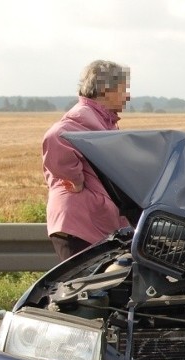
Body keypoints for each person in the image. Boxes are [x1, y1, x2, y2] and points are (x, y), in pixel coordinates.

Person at [42, 60, 132, 260]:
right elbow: (56, 135)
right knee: (84, 287)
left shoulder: (102, 120)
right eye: (123, 89)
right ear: (105, 90)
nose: (128, 95)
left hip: (91, 222)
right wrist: (74, 179)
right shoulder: (83, 116)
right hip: (79, 223)